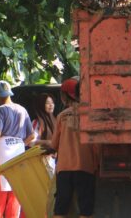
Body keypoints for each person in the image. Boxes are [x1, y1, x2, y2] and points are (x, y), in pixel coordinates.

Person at [0, 80, 36, 218]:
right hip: (19, 152)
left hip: (2, 152)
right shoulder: (22, 109)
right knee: (15, 192)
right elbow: (31, 135)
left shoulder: (0, 110)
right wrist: (20, 144)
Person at [50, 78, 99, 218]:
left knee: (60, 208)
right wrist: (96, 163)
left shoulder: (61, 116)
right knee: (86, 209)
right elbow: (96, 145)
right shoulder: (89, 115)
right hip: (85, 166)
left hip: (64, 168)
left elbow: (54, 145)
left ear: (65, 95)